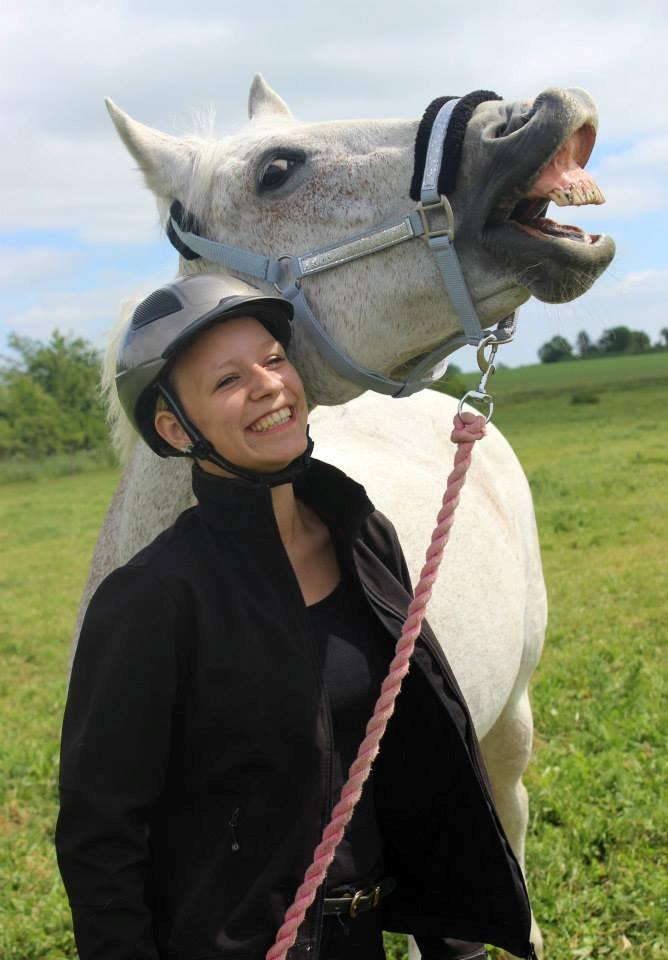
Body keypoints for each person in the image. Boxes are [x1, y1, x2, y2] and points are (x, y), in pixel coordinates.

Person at [56, 274, 534, 960]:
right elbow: (100, 833)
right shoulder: (151, 598)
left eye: (274, 359)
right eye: (226, 381)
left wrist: (456, 945)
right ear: (173, 428)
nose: (268, 385)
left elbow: (416, 748)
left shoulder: (360, 534)